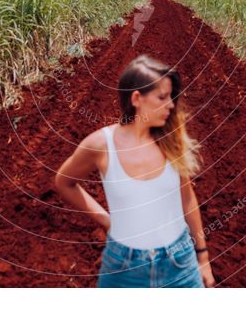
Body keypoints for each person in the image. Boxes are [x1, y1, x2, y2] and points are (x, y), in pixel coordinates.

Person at [53, 54, 216, 288]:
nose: (171, 104)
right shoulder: (101, 145)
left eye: (171, 96)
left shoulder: (170, 140)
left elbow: (188, 198)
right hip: (123, 267)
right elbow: (64, 182)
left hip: (180, 263)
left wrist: (203, 257)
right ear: (137, 98)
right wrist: (109, 222)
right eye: (162, 97)